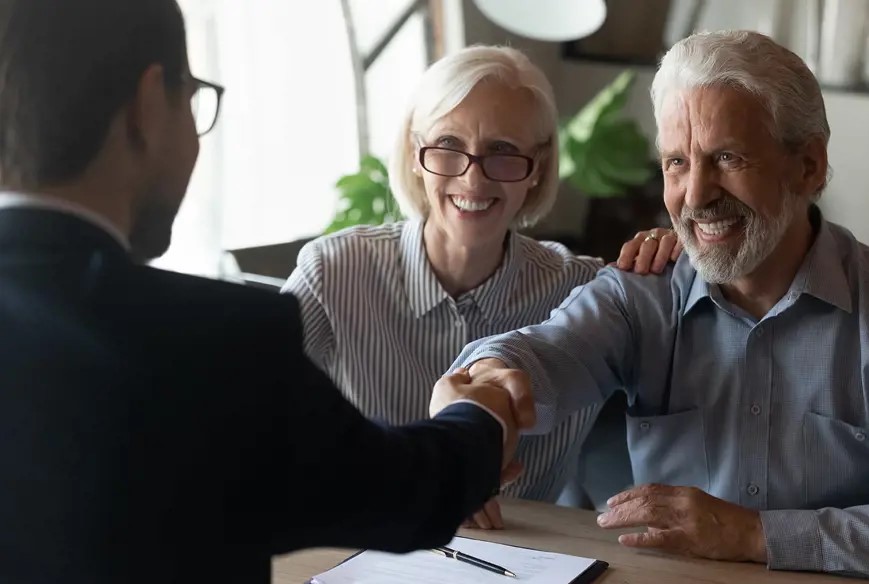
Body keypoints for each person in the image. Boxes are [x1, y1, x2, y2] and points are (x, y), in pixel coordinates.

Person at [0, 1, 537, 583]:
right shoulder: (215, 342)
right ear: (150, 103)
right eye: (195, 99)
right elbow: (407, 494)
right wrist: (480, 416)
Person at [452, 30, 869, 578]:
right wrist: (479, 392)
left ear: (808, 166)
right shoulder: (641, 290)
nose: (695, 196)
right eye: (676, 162)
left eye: (727, 157)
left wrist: (752, 534)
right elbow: (541, 354)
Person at [283, 44, 679, 528]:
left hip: (528, 556)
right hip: (367, 539)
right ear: (413, 153)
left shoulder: (582, 290)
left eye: (502, 152)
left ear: (537, 168)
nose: (472, 179)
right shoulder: (333, 271)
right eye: (448, 146)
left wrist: (685, 249)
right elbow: (257, 423)